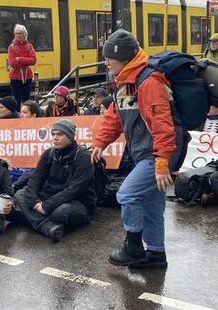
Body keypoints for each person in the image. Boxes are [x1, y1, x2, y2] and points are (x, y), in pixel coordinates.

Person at [92, 29, 177, 269]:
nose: (106, 62)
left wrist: (162, 162)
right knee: (151, 206)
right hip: (148, 152)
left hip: (156, 154)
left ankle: (133, 247)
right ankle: (156, 254)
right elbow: (116, 116)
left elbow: (162, 123)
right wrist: (100, 142)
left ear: (123, 58)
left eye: (109, 58)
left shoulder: (148, 82)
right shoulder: (126, 81)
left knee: (126, 194)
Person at [10, 120, 96, 241]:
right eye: (53, 134)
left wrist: (47, 205)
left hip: (75, 202)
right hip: (49, 196)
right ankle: (46, 226)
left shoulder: (83, 157)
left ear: (70, 136)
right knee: (21, 194)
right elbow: (35, 179)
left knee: (61, 212)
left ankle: (26, 218)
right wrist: (35, 201)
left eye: (60, 134)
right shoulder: (49, 153)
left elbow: (75, 189)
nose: (55, 138)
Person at [8, 24, 36, 104]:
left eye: (20, 33)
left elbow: (33, 61)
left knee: (26, 100)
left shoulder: (29, 46)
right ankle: (18, 115)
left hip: (28, 77)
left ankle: (26, 115)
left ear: (25, 34)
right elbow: (12, 63)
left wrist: (19, 59)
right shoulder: (11, 47)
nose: (18, 35)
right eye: (16, 33)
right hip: (15, 77)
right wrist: (26, 61)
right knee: (16, 101)